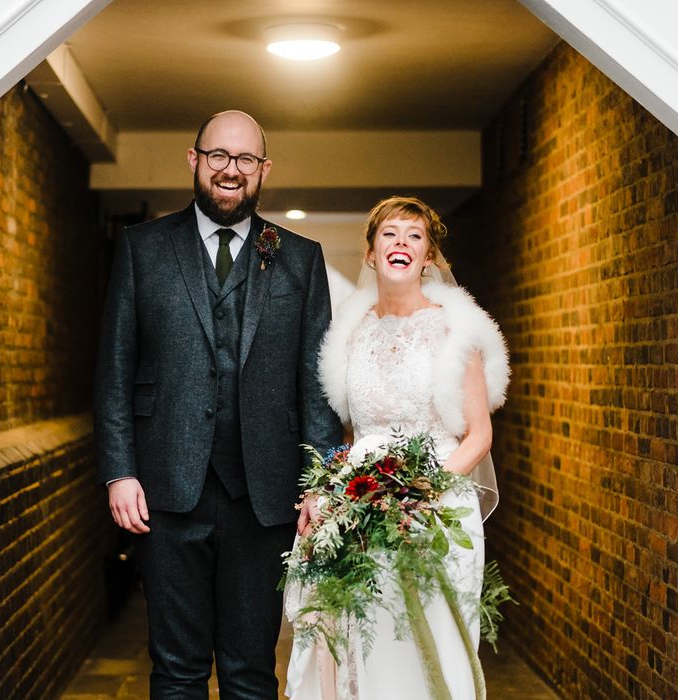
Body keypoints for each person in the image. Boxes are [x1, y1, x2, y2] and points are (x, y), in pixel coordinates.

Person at [95, 110, 343, 699]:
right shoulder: (142, 249)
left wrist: (319, 483)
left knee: (251, 673)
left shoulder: (299, 258)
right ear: (195, 160)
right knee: (176, 671)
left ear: (263, 169)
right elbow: (114, 369)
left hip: (265, 497)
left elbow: (318, 381)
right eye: (219, 157)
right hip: (165, 490)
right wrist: (118, 471)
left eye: (246, 160)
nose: (232, 171)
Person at [287, 196, 510, 699]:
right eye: (390, 234)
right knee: (360, 639)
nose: (401, 244)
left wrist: (419, 492)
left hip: (433, 505)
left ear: (428, 257)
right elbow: (346, 433)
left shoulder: (458, 331)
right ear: (370, 253)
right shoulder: (349, 333)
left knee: (422, 647)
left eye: (414, 236)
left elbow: (479, 434)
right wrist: (325, 492)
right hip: (360, 503)